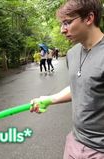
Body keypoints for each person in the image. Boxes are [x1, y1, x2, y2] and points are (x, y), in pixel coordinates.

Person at [30, 0, 104, 158]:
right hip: (75, 141)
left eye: (67, 23)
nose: (62, 30)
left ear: (89, 18)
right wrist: (49, 99)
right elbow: (80, 87)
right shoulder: (72, 53)